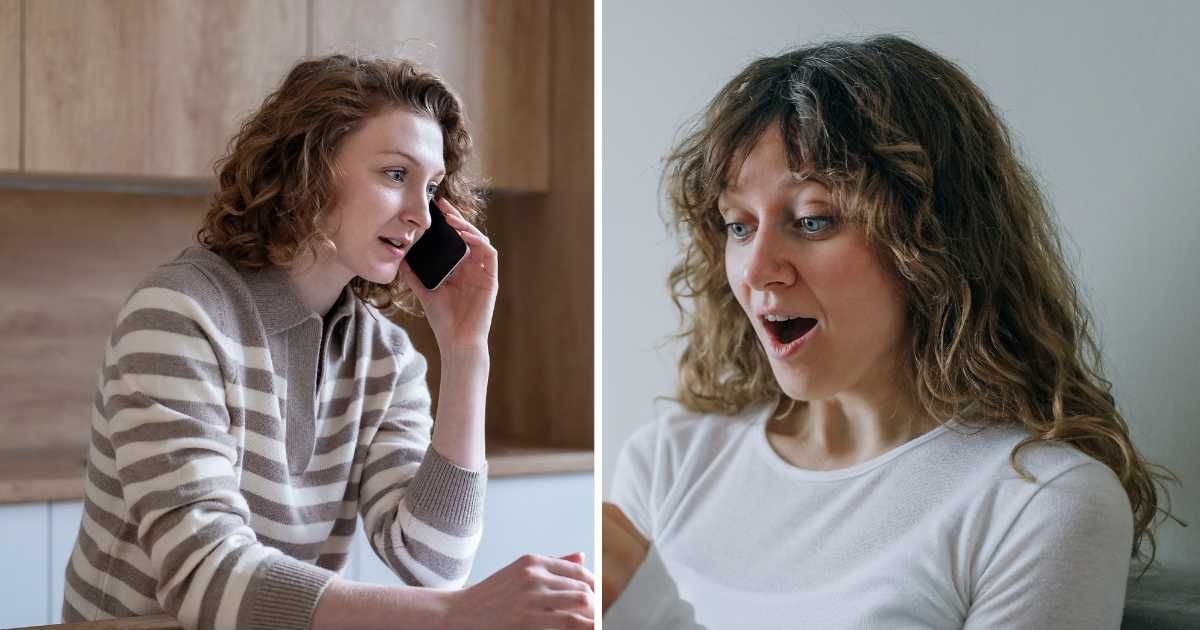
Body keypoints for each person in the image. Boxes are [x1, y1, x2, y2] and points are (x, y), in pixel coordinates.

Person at [603, 35, 1171, 629]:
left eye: (812, 220)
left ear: (930, 243)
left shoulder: (1043, 501)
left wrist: (649, 613)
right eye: (738, 226)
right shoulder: (668, 463)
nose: (757, 269)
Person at [63, 55, 594, 630]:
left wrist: (467, 352)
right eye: (395, 174)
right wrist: (461, 615)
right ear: (307, 169)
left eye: (434, 187)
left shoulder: (385, 358)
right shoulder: (179, 314)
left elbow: (434, 561)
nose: (421, 214)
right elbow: (207, 579)